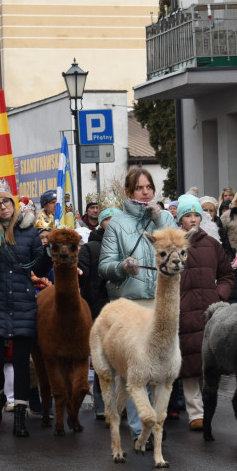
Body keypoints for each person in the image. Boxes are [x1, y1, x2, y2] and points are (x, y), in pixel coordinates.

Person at [99, 167, 176, 443]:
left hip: (160, 301)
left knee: (162, 365)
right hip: (131, 304)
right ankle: (137, 426)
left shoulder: (165, 218)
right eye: (140, 188)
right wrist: (122, 266)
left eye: (149, 187)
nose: (146, 192)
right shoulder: (117, 224)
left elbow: (178, 254)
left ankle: (157, 423)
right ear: (129, 192)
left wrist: (159, 222)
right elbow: (104, 267)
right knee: (136, 370)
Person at [0, 177, 50, 437]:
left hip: (22, 303)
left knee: (21, 362)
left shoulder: (30, 232)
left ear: (13, 202)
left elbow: (39, 268)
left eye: (6, 201)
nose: (3, 207)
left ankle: (20, 415)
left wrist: (49, 251)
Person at [176, 194, 233, 431]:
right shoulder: (174, 243)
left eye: (196, 215)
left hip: (210, 312)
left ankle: (206, 407)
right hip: (184, 311)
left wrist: (218, 295)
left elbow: (228, 274)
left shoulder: (213, 244)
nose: (192, 219)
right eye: (187, 215)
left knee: (207, 362)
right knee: (189, 362)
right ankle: (195, 412)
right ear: (180, 219)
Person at [77, 200, 120, 419]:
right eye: (107, 219)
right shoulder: (90, 247)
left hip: (123, 309)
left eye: (115, 219)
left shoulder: (126, 246)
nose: (111, 223)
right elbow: (82, 277)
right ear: (101, 223)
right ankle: (102, 405)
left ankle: (122, 404)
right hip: (99, 309)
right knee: (102, 360)